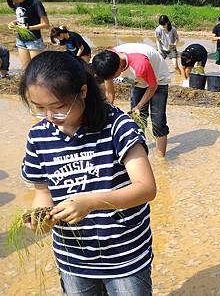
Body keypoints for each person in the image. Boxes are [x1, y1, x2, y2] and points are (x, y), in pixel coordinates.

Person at [19, 51, 156, 295]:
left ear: (82, 92)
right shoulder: (38, 136)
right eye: (39, 108)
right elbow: (42, 192)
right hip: (73, 259)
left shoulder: (117, 125)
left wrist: (91, 202)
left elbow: (145, 188)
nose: (50, 117)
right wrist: (41, 218)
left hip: (124, 256)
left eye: (59, 107)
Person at [92, 43, 171, 157]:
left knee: (158, 122)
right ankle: (141, 154)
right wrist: (107, 112)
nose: (113, 79)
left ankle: (161, 158)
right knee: (137, 120)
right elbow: (110, 93)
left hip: (158, 80)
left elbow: (153, 86)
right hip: (138, 80)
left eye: (114, 77)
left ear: (120, 68)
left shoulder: (139, 65)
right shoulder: (108, 61)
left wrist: (139, 106)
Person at [5, 0, 49, 69]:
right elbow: (22, 18)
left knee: (36, 70)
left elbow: (45, 24)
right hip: (20, 40)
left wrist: (29, 28)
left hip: (34, 41)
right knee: (25, 69)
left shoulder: (35, 3)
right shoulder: (18, 3)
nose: (15, 1)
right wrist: (13, 23)